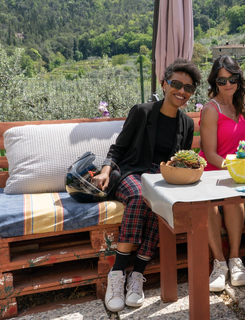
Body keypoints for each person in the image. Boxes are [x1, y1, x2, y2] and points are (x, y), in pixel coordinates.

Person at [91, 59, 201, 312]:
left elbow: (180, 159)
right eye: (176, 84)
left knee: (161, 202)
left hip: (162, 177)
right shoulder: (142, 111)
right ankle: (117, 273)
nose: (181, 91)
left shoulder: (187, 123)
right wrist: (106, 170)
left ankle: (137, 274)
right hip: (132, 173)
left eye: (188, 88)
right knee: (143, 196)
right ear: (164, 84)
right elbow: (118, 148)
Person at [198, 56, 245, 292]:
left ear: (239, 80)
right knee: (209, 205)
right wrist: (233, 168)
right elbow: (209, 154)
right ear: (214, 82)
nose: (228, 84)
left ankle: (235, 260)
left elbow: (244, 146)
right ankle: (219, 263)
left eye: (232, 78)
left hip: (235, 173)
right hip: (212, 172)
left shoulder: (241, 107)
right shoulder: (211, 109)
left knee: (234, 201)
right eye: (222, 80)